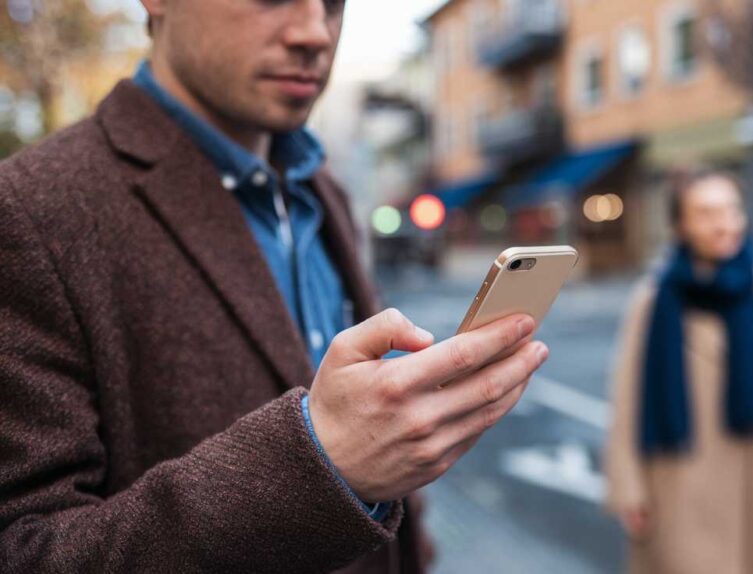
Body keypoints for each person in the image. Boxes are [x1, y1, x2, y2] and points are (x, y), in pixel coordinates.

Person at [0, 0, 549, 571]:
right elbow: (24, 548)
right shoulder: (29, 210)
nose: (316, 32)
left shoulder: (323, 194)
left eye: (334, 4)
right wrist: (320, 463)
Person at [603, 169, 753, 574]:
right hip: (678, 481)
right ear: (680, 225)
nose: (723, 224)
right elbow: (627, 397)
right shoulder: (652, 299)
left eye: (731, 210)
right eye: (705, 213)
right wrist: (628, 489)